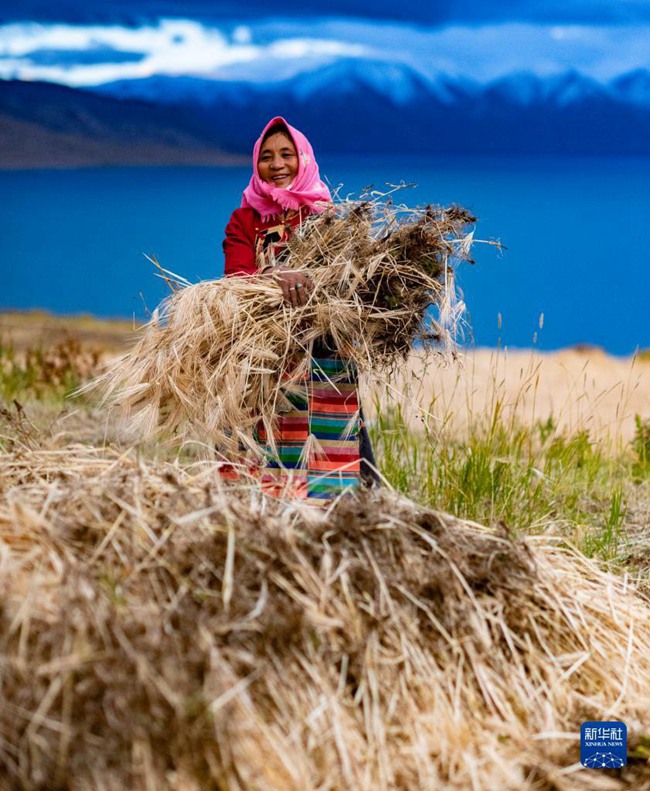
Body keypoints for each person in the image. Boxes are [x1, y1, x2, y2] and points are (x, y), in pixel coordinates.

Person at [222, 116, 379, 505]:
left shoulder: (327, 220)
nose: (277, 165)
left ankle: (352, 517)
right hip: (263, 354)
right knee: (261, 443)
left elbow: (348, 282)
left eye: (287, 154)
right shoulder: (244, 221)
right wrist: (274, 277)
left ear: (304, 159)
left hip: (325, 351)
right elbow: (236, 277)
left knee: (337, 444)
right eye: (267, 156)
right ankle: (256, 519)